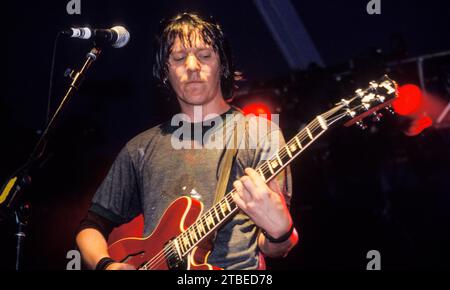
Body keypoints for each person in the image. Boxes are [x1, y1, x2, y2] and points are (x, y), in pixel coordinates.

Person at [75, 12, 298, 270]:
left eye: (204, 55)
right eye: (179, 58)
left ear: (221, 65)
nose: (192, 66)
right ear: (164, 71)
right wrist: (106, 265)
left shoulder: (260, 134)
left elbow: (277, 246)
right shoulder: (140, 148)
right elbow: (91, 226)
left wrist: (281, 232)